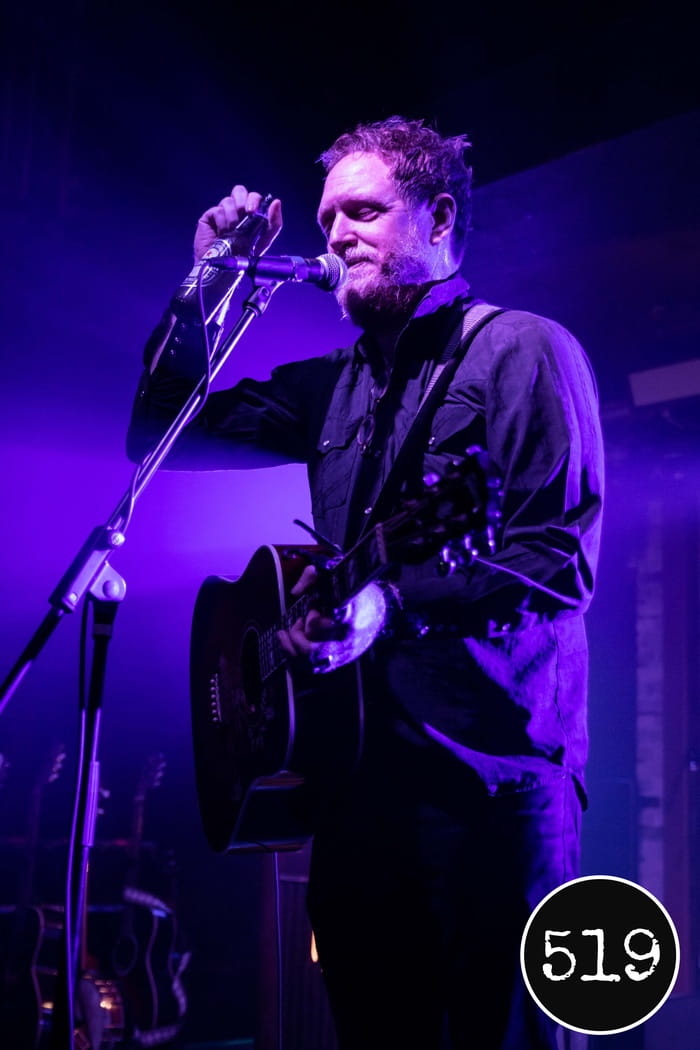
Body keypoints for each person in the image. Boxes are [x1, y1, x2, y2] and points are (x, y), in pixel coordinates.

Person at [127, 116, 604, 1049]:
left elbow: (557, 559)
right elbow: (159, 436)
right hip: (352, 792)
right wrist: (206, 281)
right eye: (327, 219)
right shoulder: (332, 385)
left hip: (488, 788)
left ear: (439, 218)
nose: (338, 234)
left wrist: (390, 602)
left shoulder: (523, 350)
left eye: (364, 212)